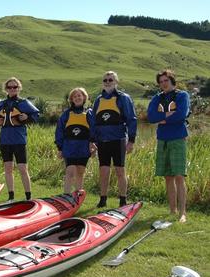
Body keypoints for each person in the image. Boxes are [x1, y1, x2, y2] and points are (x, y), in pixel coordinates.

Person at [147, 69, 190, 223]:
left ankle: (182, 213)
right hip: (162, 139)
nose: (163, 83)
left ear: (172, 80)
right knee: (168, 176)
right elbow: (151, 117)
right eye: (161, 81)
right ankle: (173, 210)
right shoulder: (157, 98)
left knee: (179, 175)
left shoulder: (182, 95)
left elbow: (182, 114)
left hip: (178, 138)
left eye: (166, 80)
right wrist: (167, 116)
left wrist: (163, 119)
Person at [93, 71, 137, 207]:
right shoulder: (98, 100)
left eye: (110, 80)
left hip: (118, 140)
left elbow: (132, 119)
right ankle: (103, 199)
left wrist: (131, 140)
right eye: (105, 80)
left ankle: (123, 199)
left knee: (120, 171)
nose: (107, 82)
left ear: (116, 82)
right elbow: (94, 122)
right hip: (102, 141)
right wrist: (93, 141)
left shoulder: (124, 98)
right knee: (104, 171)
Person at [0, 77, 39, 201]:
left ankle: (28, 197)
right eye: (10, 87)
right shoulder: (2, 104)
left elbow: (36, 115)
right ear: (6, 89)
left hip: (19, 140)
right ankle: (11, 197)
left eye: (15, 87)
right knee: (8, 168)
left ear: (19, 88)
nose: (12, 89)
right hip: (5, 140)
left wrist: (27, 117)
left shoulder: (23, 103)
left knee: (23, 169)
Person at [55, 88, 96, 194]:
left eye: (79, 95)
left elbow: (94, 130)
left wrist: (93, 144)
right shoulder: (66, 114)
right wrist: (60, 148)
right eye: (75, 96)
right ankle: (67, 195)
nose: (77, 98)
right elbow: (59, 131)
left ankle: (78, 194)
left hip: (83, 148)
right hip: (69, 147)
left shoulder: (89, 113)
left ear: (84, 98)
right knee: (70, 172)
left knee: (80, 172)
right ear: (72, 99)